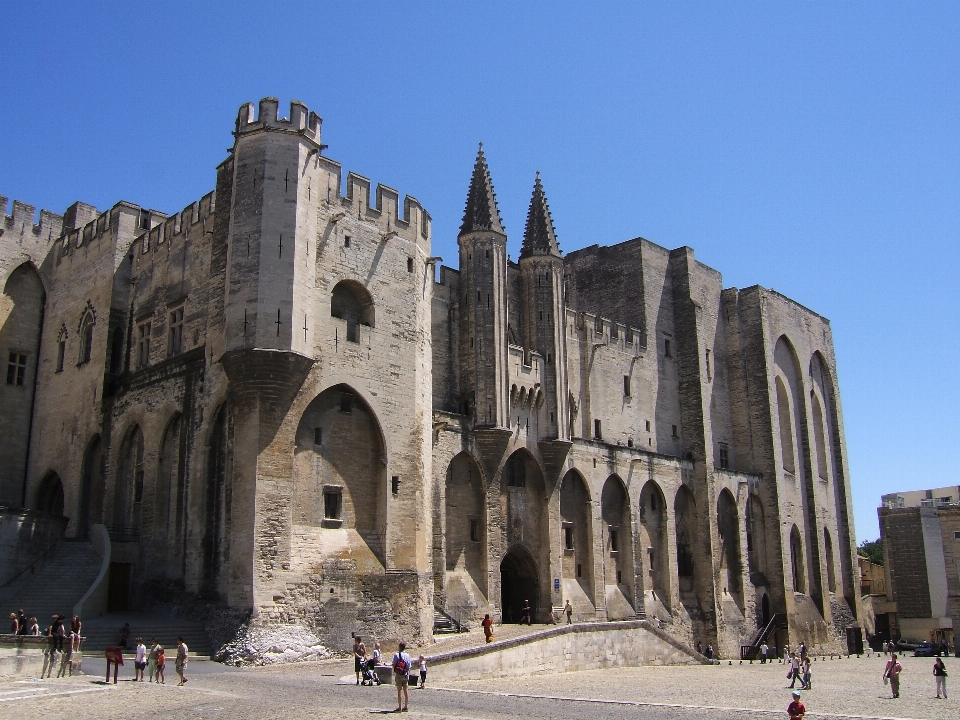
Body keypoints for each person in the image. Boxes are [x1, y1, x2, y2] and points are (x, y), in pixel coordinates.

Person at [392, 641, 412, 712]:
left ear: (399, 647)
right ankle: (406, 706)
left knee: (399, 691)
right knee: (406, 691)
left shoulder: (396, 655)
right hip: (406, 674)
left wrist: (397, 671)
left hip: (399, 675)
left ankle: (399, 707)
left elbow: (393, 665)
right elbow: (409, 666)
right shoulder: (408, 655)